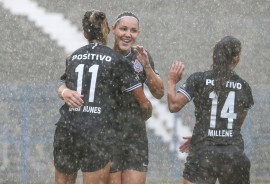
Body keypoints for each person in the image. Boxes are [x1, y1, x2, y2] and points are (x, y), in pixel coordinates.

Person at [54, 10, 152, 184]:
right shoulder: (117, 60)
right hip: (97, 130)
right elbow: (143, 103)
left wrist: (64, 92)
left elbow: (64, 85)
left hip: (68, 128)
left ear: (85, 34)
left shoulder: (74, 56)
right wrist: (144, 113)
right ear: (109, 30)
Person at [167, 36, 254, 184]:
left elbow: (174, 105)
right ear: (236, 58)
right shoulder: (244, 87)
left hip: (203, 153)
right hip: (233, 155)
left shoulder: (199, 79)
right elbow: (234, 125)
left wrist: (171, 81)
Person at [108, 12, 164, 184]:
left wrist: (146, 64)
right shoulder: (104, 57)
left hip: (135, 134)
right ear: (113, 30)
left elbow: (159, 92)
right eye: (123, 29)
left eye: (133, 30)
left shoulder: (141, 57)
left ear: (138, 34)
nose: (127, 34)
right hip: (107, 133)